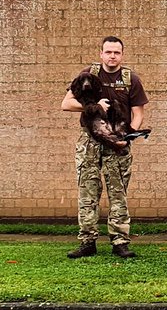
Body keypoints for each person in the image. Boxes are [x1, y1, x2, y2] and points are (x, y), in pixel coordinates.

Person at [60, 36, 149, 259]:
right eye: (108, 52)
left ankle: (120, 242)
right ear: (101, 53)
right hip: (90, 142)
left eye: (116, 52)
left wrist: (127, 137)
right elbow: (66, 103)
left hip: (118, 144)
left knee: (118, 192)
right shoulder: (88, 74)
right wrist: (93, 106)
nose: (112, 56)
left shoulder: (131, 79)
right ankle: (87, 241)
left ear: (122, 54)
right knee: (87, 191)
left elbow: (138, 113)